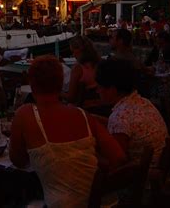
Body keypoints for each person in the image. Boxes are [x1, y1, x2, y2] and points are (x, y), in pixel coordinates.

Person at [9, 55, 127, 208]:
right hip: (107, 203)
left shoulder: (24, 114)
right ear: (60, 84)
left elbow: (18, 161)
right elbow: (119, 158)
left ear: (31, 85)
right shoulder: (83, 115)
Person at [96, 58, 168, 166]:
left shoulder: (119, 118)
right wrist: (93, 121)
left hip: (143, 176)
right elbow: (127, 127)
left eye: (99, 87)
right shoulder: (142, 102)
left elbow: (116, 162)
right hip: (161, 167)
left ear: (112, 89)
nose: (97, 91)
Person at [63, 35, 100, 105]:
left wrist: (57, 92)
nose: (73, 55)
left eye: (73, 51)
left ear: (80, 50)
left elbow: (70, 97)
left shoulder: (78, 69)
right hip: (99, 103)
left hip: (85, 106)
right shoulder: (99, 62)